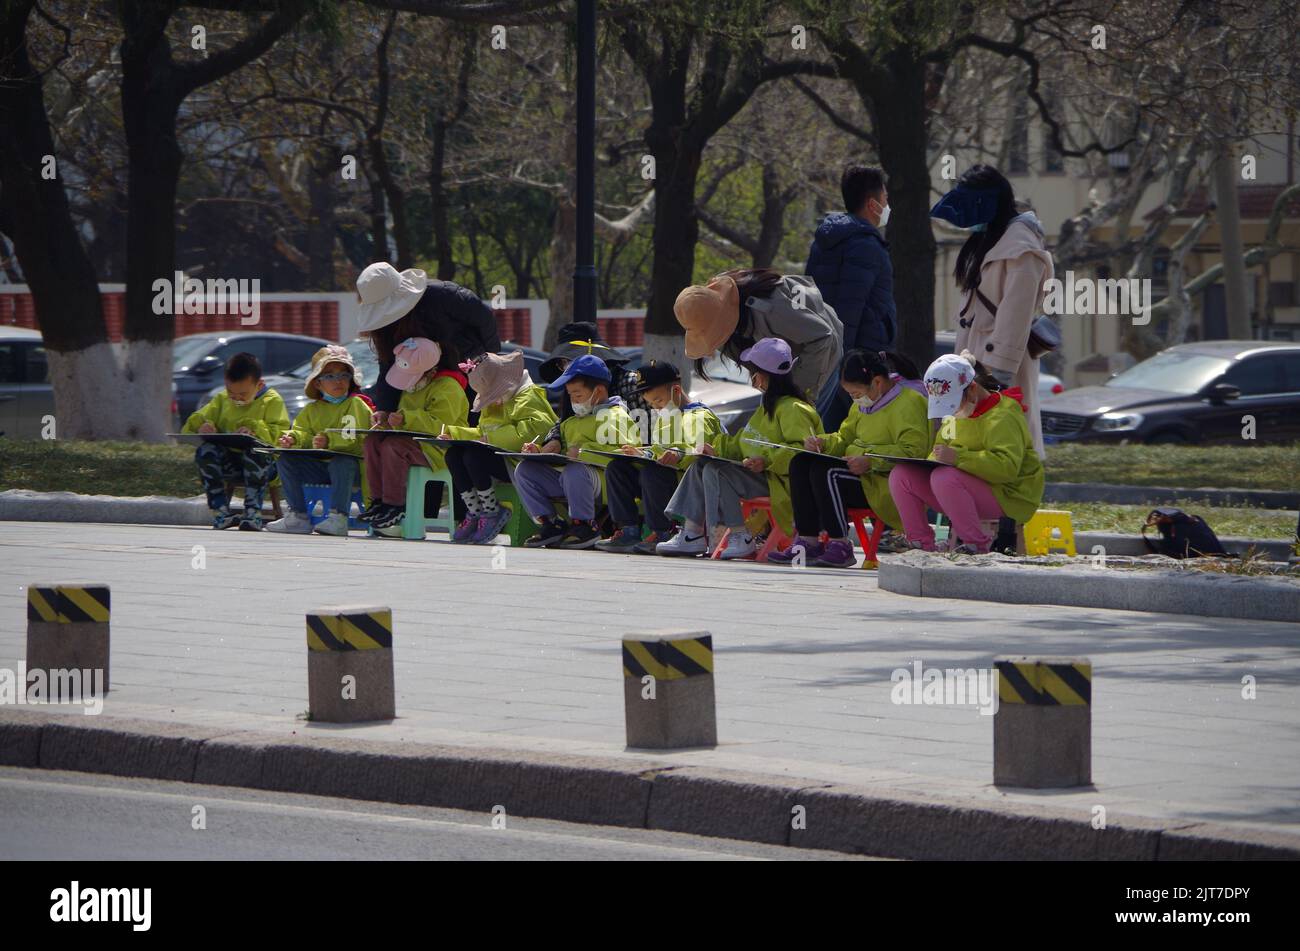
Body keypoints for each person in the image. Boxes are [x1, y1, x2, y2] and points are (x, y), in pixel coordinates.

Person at [930, 165, 1054, 458]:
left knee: (1003, 446)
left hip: (997, 366)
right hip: (974, 361)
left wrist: (997, 373)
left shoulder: (1022, 249)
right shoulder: (993, 239)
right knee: (974, 445)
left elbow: (1016, 315)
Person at [658, 337, 820, 560]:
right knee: (702, 464)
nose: (751, 377)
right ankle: (691, 533)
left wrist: (766, 461)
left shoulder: (793, 409)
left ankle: (739, 535)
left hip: (780, 482)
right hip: (761, 474)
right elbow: (744, 442)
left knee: (718, 472)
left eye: (752, 371)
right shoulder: (767, 407)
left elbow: (801, 454)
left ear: (763, 375)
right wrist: (715, 448)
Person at [767, 350, 930, 568]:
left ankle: (839, 544)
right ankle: (808, 540)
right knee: (801, 462)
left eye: (856, 393)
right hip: (860, 475)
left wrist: (870, 460)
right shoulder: (863, 404)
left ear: (877, 382)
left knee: (827, 471)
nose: (855, 399)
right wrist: (823, 442)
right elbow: (845, 437)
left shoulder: (910, 402)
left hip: (885, 482)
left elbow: (913, 451)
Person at [887, 352, 1044, 554]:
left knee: (944, 477)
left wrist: (958, 458)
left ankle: (976, 545)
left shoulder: (1003, 415)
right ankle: (920, 543)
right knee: (902, 475)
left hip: (1009, 497)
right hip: (959, 490)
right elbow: (938, 454)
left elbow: (1007, 469)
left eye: (954, 404)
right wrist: (933, 461)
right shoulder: (954, 417)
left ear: (972, 389)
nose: (951, 412)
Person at [512, 354, 641, 550]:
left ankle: (585, 525)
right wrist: (538, 450)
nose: (573, 400)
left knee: (575, 470)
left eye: (578, 395)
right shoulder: (571, 422)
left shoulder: (616, 417)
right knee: (525, 469)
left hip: (605, 483)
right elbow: (563, 451)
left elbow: (626, 454)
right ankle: (551, 523)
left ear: (598, 391)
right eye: (570, 395)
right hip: (571, 481)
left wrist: (583, 453)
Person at [595, 361, 724, 555]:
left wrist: (678, 455)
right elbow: (658, 449)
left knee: (652, 472)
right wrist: (642, 453)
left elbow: (700, 453)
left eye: (659, 401)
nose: (656, 407)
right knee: (617, 468)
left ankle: (663, 532)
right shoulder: (666, 418)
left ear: (677, 390)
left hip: (688, 485)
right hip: (665, 483)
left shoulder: (699, 416)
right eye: (652, 404)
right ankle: (628, 531)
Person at [805, 165, 896, 431]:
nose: (887, 205)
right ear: (872, 204)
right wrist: (849, 366)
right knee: (857, 436)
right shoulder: (866, 245)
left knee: (829, 432)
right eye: (885, 199)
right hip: (859, 360)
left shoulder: (824, 241)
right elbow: (850, 309)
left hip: (826, 354)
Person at [353, 262, 499, 425]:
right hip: (420, 387)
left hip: (469, 374)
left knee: (471, 428)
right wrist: (385, 409)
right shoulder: (384, 328)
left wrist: (488, 363)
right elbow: (388, 364)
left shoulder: (443, 295)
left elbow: (485, 320)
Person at [674, 267, 843, 407]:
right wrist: (763, 380)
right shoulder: (712, 318)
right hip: (790, 364)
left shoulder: (771, 308)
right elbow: (750, 360)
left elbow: (822, 338)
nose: (714, 337)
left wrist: (798, 394)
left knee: (806, 428)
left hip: (823, 353)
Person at [437, 350, 557, 545]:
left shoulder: (529, 397)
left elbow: (532, 431)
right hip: (500, 455)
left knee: (473, 456)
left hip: (521, 462)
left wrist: (489, 438)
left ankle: (492, 510)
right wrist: (455, 434)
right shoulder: (496, 402)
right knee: (453, 454)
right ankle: (475, 510)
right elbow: (483, 431)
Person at [360, 337, 470, 537]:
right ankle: (378, 501)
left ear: (429, 371)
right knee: (372, 441)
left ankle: (395, 506)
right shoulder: (413, 386)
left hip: (440, 449)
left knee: (392, 447)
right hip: (414, 444)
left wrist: (405, 418)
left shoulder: (448, 387)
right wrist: (385, 418)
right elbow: (404, 419)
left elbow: (441, 426)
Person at [266, 346, 374, 536]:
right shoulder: (311, 410)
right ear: (317, 384)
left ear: (351, 379)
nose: (338, 381)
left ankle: (338, 517)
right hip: (321, 469)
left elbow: (353, 440)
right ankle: (298, 516)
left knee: (342, 461)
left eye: (343, 375)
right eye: (330, 376)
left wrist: (328, 440)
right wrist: (293, 438)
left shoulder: (356, 404)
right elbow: (303, 433)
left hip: (354, 471)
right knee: (286, 459)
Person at [182, 351, 290, 531]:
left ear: (259, 385)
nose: (236, 398)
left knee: (256, 450)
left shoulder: (272, 401)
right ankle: (220, 513)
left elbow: (280, 435)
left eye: (243, 393)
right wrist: (202, 426)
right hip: (232, 464)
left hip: (266, 467)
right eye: (231, 392)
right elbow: (192, 424)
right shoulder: (222, 400)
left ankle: (252, 513)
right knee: (206, 450)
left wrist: (256, 430)